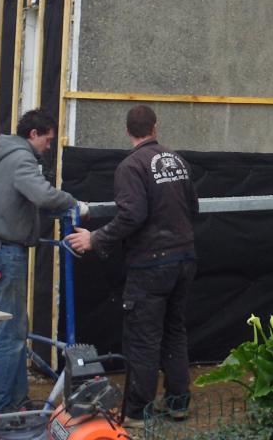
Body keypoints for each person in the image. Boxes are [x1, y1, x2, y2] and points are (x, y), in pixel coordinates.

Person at [68, 105, 199, 428]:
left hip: (151, 264)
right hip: (184, 258)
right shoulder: (177, 161)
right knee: (174, 331)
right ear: (155, 127)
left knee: (143, 339)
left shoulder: (130, 167)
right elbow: (192, 207)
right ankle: (178, 403)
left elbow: (132, 215)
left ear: (128, 131)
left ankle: (138, 412)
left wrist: (95, 238)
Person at [0, 109, 87, 416]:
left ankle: (16, 404)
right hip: (6, 251)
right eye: (47, 140)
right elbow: (43, 196)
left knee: (15, 330)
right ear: (33, 134)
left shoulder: (6, 154)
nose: (48, 147)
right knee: (11, 335)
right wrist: (74, 203)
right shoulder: (22, 159)